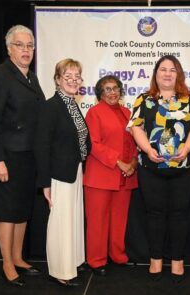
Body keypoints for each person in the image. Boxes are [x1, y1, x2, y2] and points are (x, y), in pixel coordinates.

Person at [128, 55, 190, 282]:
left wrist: (187, 147)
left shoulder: (189, 99)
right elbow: (136, 128)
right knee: (154, 215)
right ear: (156, 74)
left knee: (180, 215)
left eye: (172, 70)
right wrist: (147, 150)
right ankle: (155, 260)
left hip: (185, 167)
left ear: (178, 74)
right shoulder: (143, 100)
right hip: (151, 168)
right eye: (163, 69)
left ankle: (178, 260)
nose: (168, 73)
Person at [0, 25, 45, 286]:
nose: (26, 50)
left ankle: (18, 257)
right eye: (20, 45)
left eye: (30, 45)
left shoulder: (32, 77)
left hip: (28, 156)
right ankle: (7, 263)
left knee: (21, 209)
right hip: (6, 156)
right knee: (7, 212)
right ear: (9, 48)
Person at [34, 58, 89, 287]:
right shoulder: (51, 106)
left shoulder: (72, 104)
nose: (74, 81)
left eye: (77, 77)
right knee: (60, 222)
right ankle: (59, 270)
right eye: (68, 77)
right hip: (58, 173)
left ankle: (72, 261)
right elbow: (41, 145)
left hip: (74, 169)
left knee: (72, 220)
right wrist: (45, 182)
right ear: (57, 80)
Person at [83, 75, 138, 276]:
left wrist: (132, 163)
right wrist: (119, 162)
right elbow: (94, 145)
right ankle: (96, 261)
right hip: (101, 176)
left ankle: (118, 256)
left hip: (126, 175)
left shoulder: (127, 112)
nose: (112, 92)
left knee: (119, 219)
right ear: (100, 94)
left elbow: (135, 143)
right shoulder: (94, 113)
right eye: (107, 89)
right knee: (98, 221)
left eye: (115, 88)